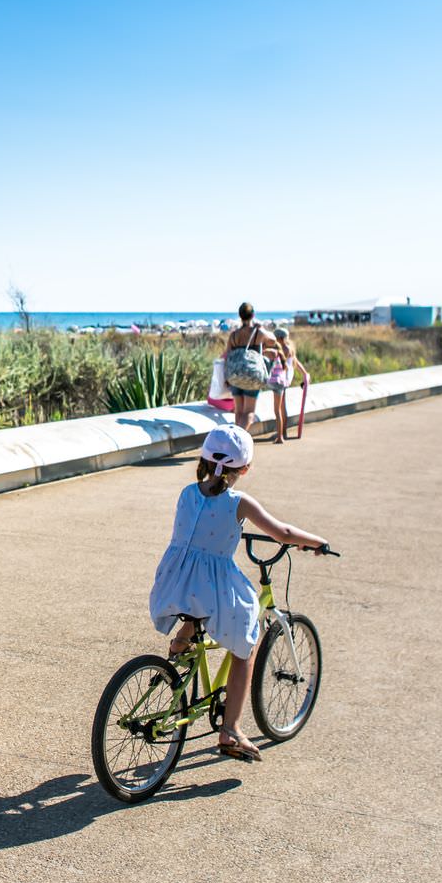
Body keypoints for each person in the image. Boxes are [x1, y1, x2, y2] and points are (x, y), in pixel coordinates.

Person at [149, 422, 329, 762]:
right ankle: (231, 728)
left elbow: (199, 532)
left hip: (174, 578)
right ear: (244, 469)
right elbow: (283, 532)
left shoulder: (187, 493)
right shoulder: (238, 503)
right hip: (212, 582)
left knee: (198, 602)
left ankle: (180, 642)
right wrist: (315, 542)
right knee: (249, 636)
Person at [222, 302, 282, 434]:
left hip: (235, 375)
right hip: (252, 375)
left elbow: (227, 355)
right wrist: (262, 328)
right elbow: (273, 340)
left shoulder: (234, 335)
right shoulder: (258, 332)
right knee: (249, 412)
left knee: (238, 411)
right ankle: (238, 437)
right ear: (253, 315)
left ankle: (235, 437)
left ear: (240, 315)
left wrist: (226, 377)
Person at [268, 326, 309, 445]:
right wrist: (305, 374)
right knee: (282, 406)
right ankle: (283, 431)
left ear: (279, 338)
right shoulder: (290, 348)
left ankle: (281, 433)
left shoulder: (282, 349)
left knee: (279, 408)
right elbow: (297, 363)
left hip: (281, 379)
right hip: (286, 379)